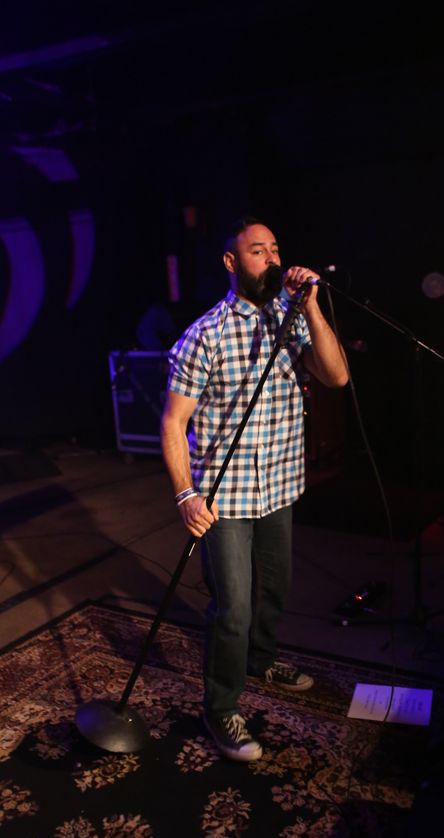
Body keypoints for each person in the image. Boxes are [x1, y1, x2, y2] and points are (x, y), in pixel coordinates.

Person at [160, 217, 348, 762]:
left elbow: (336, 377)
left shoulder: (292, 319)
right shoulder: (205, 335)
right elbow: (173, 422)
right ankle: (220, 706)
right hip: (226, 497)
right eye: (258, 251)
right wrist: (185, 495)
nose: (271, 259)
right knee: (234, 607)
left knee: (275, 590)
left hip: (280, 485)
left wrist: (311, 308)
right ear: (231, 261)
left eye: (275, 250)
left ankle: (261, 660)